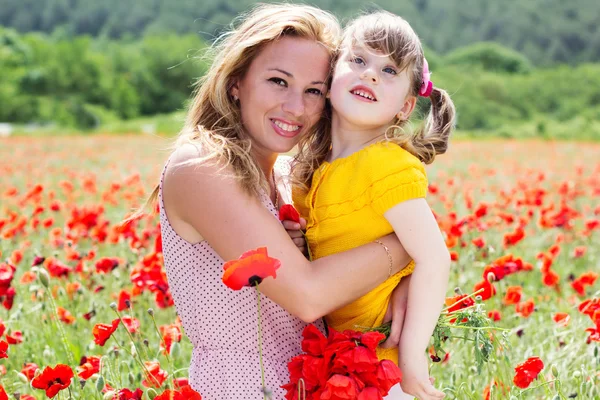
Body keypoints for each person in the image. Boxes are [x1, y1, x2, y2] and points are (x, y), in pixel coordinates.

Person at [146, 4, 413, 399]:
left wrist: (400, 283)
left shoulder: (291, 179)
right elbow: (309, 295)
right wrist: (411, 244)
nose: (296, 107)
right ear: (236, 81)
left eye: (314, 91)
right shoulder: (202, 167)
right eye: (278, 81)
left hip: (311, 385)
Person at [290, 11, 456, 400]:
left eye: (389, 70)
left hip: (383, 364)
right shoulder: (314, 167)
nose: (371, 75)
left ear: (405, 106)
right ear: (330, 80)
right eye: (359, 60)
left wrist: (413, 357)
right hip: (338, 359)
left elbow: (435, 258)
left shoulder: (388, 165)